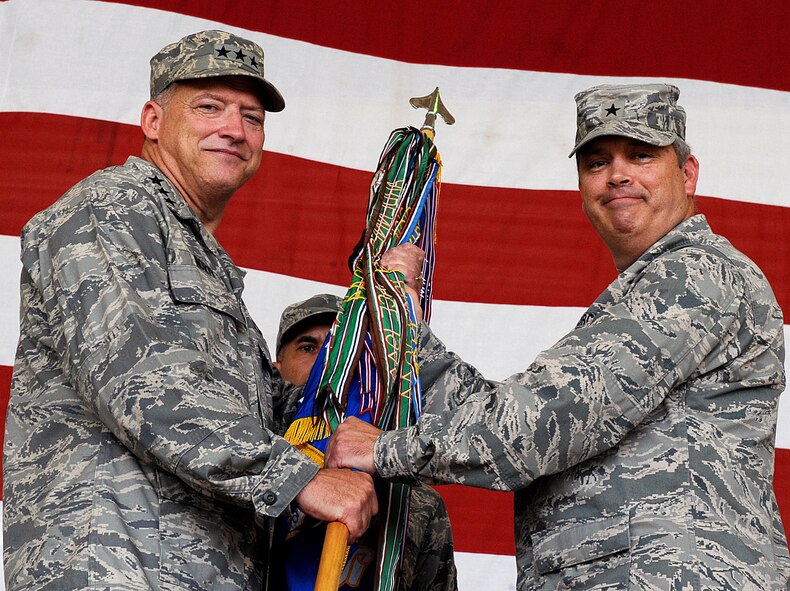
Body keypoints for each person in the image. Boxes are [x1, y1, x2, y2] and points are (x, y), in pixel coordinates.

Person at [325, 83, 790, 589]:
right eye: (596, 162)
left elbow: (549, 419)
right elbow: (523, 414)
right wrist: (404, 328)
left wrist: (386, 450)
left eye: (641, 155)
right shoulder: (640, 295)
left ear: (688, 172)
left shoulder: (697, 275)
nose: (617, 175)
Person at [3, 30, 383, 590]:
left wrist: (380, 322)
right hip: (116, 566)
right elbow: (144, 381)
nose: (234, 129)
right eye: (209, 107)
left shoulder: (206, 265)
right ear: (154, 120)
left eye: (251, 117)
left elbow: (274, 418)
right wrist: (297, 478)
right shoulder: (108, 210)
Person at [272, 293, 457, 591]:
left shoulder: (414, 504)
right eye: (308, 348)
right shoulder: (244, 470)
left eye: (342, 349)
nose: (326, 364)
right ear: (276, 369)